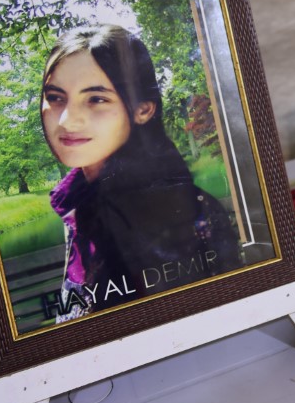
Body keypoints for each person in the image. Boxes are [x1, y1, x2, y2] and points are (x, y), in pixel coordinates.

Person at [41, 24, 241, 321]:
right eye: (56, 97)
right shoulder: (79, 202)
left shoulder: (186, 213)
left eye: (96, 99)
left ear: (143, 110)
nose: (67, 121)